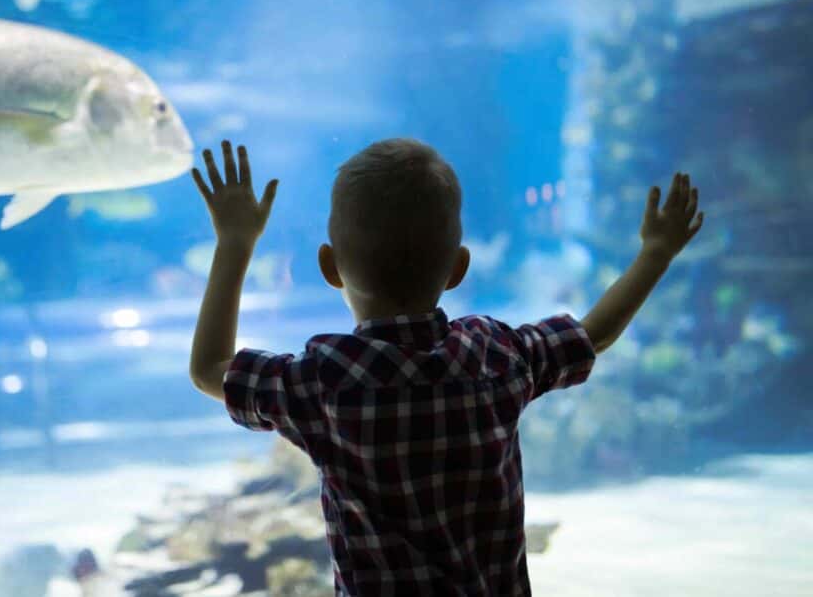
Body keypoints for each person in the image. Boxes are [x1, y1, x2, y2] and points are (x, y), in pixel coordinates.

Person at [189, 138, 703, 596]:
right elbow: (593, 335)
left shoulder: (326, 381)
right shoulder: (496, 356)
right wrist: (655, 253)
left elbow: (210, 367)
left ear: (328, 266)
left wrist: (234, 243)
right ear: (459, 267)